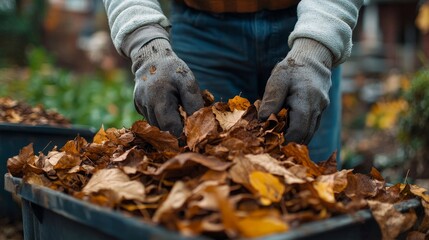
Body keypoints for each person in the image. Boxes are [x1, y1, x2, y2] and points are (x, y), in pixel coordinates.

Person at [102, 0, 363, 163]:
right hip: (201, 32)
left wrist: (315, 51)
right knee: (202, 182)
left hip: (309, 21)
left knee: (312, 177)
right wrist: (147, 46)